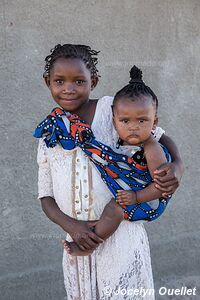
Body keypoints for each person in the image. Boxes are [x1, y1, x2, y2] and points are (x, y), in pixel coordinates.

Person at [34, 44, 184, 300]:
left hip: (122, 236)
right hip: (79, 241)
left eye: (79, 81)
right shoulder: (49, 133)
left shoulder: (111, 110)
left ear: (94, 81)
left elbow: (157, 136)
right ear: (47, 82)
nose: (69, 89)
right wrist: (73, 227)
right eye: (59, 81)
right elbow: (45, 196)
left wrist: (178, 166)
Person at [61, 65, 172, 257]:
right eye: (125, 121)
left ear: (154, 122)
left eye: (142, 121)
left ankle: (90, 246)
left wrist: (136, 197)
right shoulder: (118, 140)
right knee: (112, 209)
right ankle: (99, 229)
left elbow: (161, 187)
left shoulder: (151, 147)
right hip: (133, 196)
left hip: (148, 201)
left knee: (115, 207)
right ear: (114, 121)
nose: (133, 127)